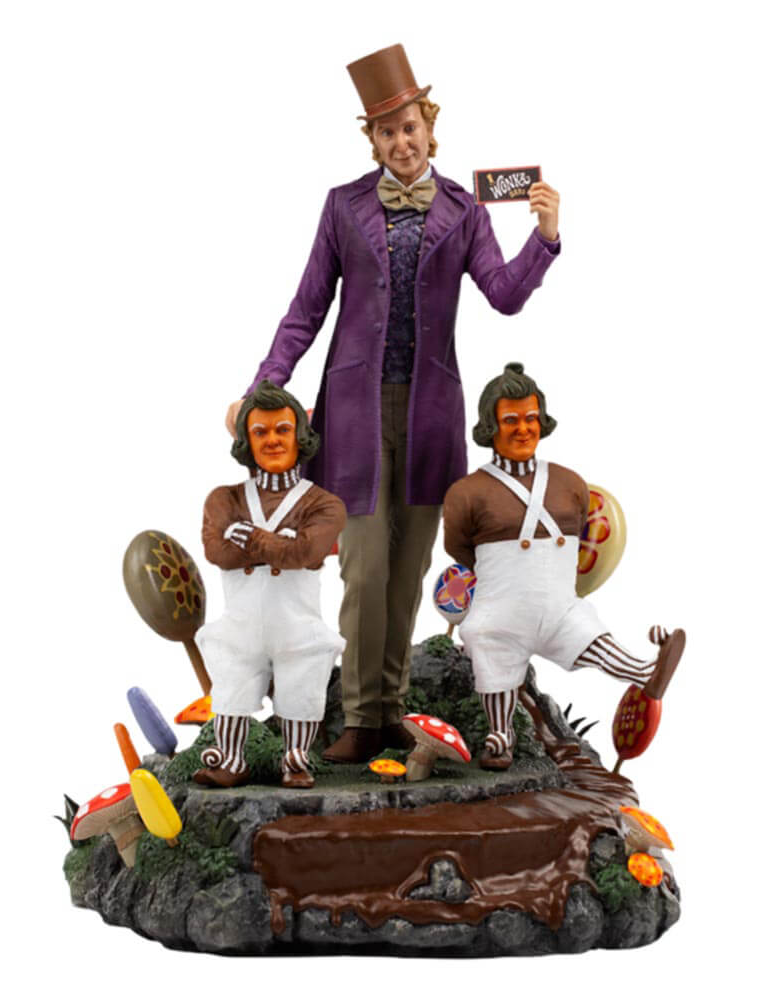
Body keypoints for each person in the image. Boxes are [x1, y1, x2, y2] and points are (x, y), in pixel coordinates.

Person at [226, 44, 562, 762]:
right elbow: (306, 310)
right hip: (353, 414)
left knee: (408, 571)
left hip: (431, 416)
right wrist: (263, 389)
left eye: (410, 127)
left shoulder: (465, 211)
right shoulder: (342, 207)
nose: (401, 142)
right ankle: (359, 716)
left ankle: (392, 712)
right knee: (365, 568)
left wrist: (544, 237)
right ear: (372, 140)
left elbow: (504, 295)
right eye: (387, 131)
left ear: (429, 129)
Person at [442, 363, 686, 770]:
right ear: (490, 426)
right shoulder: (466, 492)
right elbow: (458, 548)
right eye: (511, 420)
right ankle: (500, 735)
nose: (523, 429)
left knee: (589, 634)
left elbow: (586, 538)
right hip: (499, 610)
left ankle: (646, 671)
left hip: (559, 606)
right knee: (490, 652)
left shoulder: (571, 483)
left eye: (531, 418)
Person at [195, 380, 346, 788]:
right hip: (240, 624)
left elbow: (306, 552)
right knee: (231, 687)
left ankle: (296, 759)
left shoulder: (324, 503)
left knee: (303, 688)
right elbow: (217, 551)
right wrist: (282, 545)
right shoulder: (224, 499)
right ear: (246, 440)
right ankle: (231, 759)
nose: (273, 440)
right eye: (260, 431)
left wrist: (251, 538)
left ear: (300, 435)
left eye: (283, 429)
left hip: (298, 624)